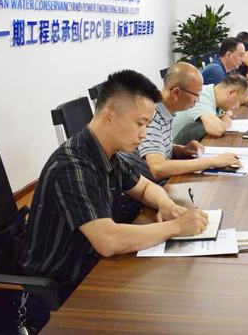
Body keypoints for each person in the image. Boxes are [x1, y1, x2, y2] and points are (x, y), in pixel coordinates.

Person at [22, 70, 209, 326]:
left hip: (95, 268)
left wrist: (166, 205)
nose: (144, 134)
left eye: (147, 125)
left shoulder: (108, 153)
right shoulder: (72, 165)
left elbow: (145, 188)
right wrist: (177, 227)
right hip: (63, 292)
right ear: (109, 116)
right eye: (140, 124)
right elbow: (108, 240)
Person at [139, 63, 241, 182]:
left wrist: (180, 149)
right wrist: (212, 161)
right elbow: (158, 168)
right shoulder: (151, 115)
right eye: (196, 94)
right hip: (149, 188)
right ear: (176, 93)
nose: (197, 100)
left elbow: (154, 147)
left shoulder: (164, 110)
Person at [171, 73, 248, 142]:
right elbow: (217, 129)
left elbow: (225, 117)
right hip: (172, 149)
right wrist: (224, 123)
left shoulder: (214, 95)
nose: (237, 106)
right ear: (231, 93)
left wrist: (223, 120)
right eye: (240, 101)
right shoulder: (201, 95)